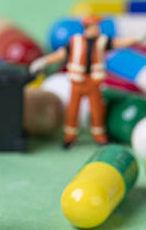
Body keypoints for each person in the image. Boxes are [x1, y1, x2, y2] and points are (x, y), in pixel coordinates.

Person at [30, 15, 137, 148]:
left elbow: (118, 43)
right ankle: (69, 137)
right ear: (88, 27)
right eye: (96, 26)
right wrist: (44, 61)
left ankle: (100, 137)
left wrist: (136, 40)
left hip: (93, 83)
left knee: (97, 110)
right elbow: (60, 55)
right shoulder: (75, 41)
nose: (98, 29)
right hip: (77, 83)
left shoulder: (101, 41)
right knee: (73, 110)